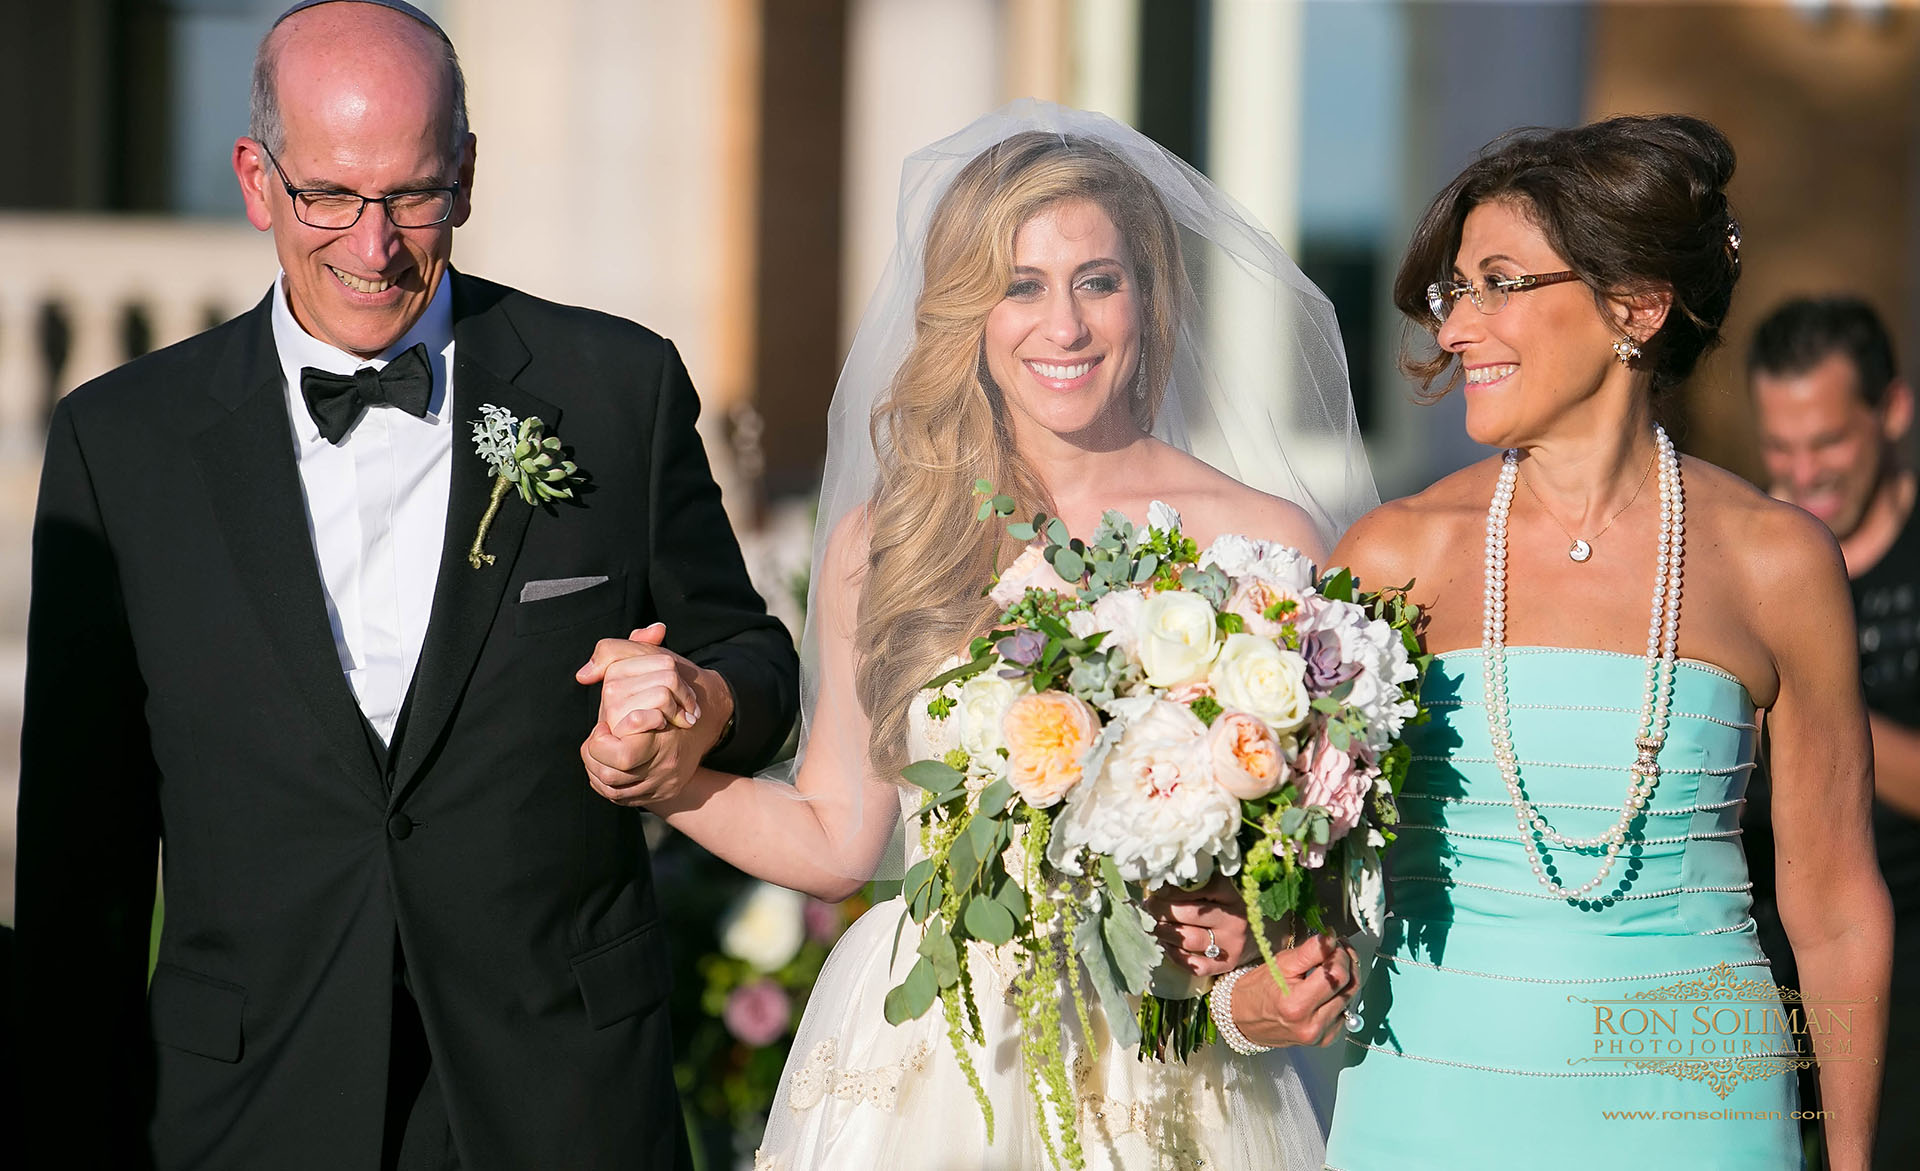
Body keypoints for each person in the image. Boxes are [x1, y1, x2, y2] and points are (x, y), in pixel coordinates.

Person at [13, 3, 798, 1168]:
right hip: (243, 1110)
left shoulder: (615, 388)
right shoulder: (119, 442)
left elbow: (757, 659)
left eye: (412, 196)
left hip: (557, 1100)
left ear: (468, 176)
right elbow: (82, 863)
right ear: (255, 179)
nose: (372, 246)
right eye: (328, 194)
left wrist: (702, 705)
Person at [577, 102, 1377, 1169]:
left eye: (1099, 280)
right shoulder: (891, 538)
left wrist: (1258, 928)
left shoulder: (1266, 541)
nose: (1066, 327)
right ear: (966, 309)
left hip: (1174, 1043)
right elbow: (835, 838)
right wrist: (661, 783)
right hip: (934, 1057)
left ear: (1148, 296)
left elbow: (1333, 867)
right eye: (1021, 286)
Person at [1321, 116, 1891, 1169]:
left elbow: (1838, 904)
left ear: (1634, 305)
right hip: (1430, 1102)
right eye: (1458, 291)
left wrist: (1850, 1160)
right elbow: (1301, 872)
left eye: (1499, 282)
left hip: (1698, 1119)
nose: (1455, 330)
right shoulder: (1391, 556)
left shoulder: (1781, 564)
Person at [1749, 295, 1918, 1168]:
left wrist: (1807, 697)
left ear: (1892, 410)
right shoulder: (1749, 565)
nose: (1802, 472)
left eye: (1828, 444)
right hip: (1769, 977)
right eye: (1780, 447)